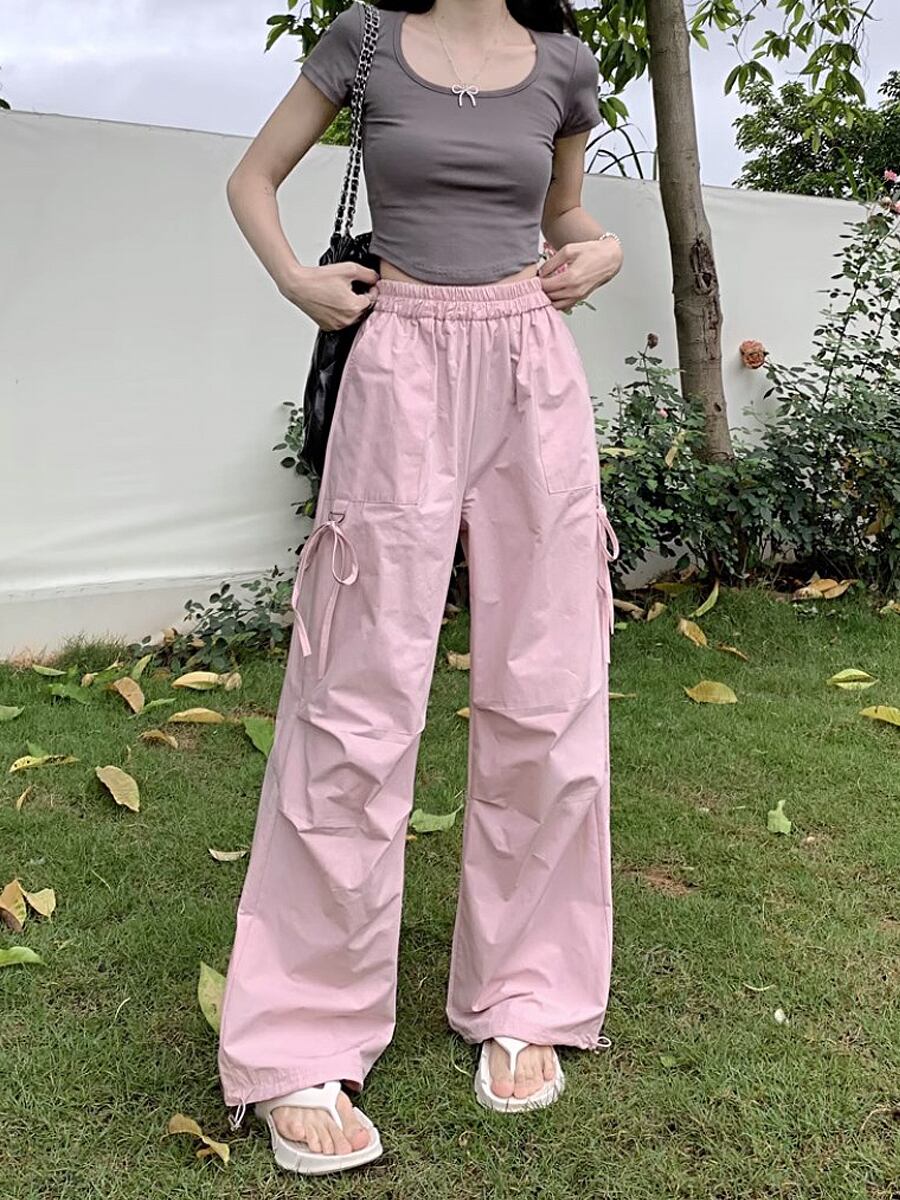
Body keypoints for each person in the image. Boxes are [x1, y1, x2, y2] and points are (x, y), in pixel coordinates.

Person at [217, 0, 623, 1175]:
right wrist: (298, 279)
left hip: (531, 366)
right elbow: (253, 177)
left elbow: (563, 214)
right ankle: (302, 1033)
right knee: (352, 693)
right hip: (398, 359)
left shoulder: (566, 61)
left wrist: (600, 247)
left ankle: (527, 993)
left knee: (548, 686)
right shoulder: (365, 38)